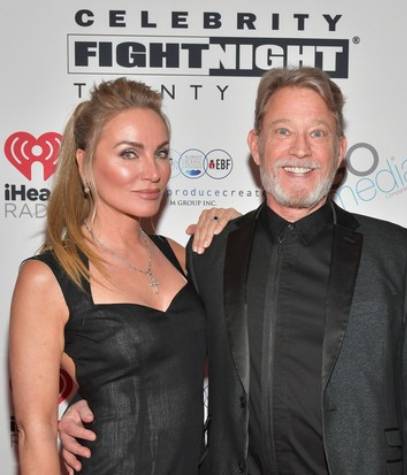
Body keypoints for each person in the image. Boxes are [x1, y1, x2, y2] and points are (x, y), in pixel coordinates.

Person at [60, 67, 407, 474]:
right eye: (283, 131)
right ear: (256, 146)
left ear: (339, 150)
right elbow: (158, 348)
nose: (300, 150)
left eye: (317, 133)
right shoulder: (211, 252)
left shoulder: (394, 253)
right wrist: (91, 405)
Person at [9, 77, 237, 475]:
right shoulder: (48, 277)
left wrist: (241, 231)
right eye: (129, 153)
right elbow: (36, 434)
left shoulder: (179, 256)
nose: (153, 171)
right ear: (84, 163)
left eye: (161, 153)